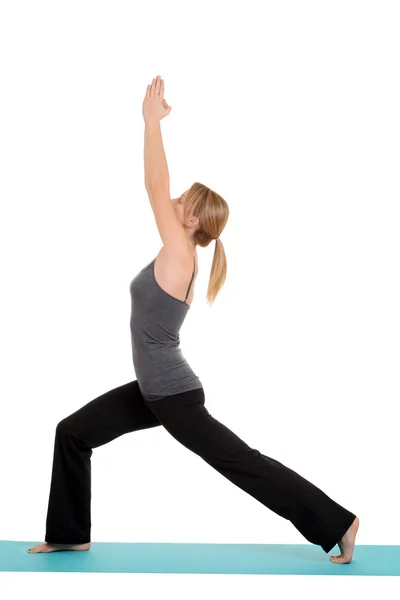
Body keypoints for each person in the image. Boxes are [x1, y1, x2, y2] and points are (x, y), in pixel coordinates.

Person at [28, 77, 359, 564]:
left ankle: (339, 522)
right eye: (178, 197)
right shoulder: (177, 252)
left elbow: (153, 185)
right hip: (155, 389)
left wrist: (150, 123)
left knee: (240, 463)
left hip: (173, 396)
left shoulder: (181, 252)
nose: (173, 200)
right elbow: (161, 190)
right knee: (72, 432)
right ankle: (69, 533)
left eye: (182, 201)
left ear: (192, 221)